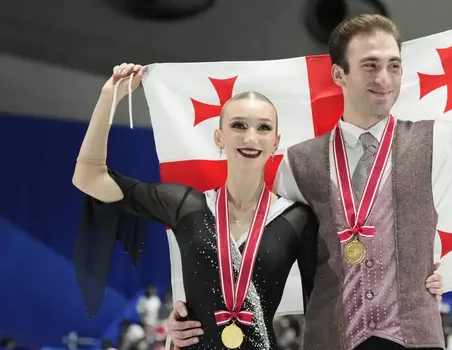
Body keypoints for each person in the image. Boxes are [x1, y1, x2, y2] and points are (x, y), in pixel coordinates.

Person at [169, 0, 452, 350]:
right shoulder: (297, 162)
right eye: (370, 65)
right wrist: (194, 315)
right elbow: (258, 255)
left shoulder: (439, 142)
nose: (385, 78)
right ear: (339, 74)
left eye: (394, 66)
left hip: (415, 339)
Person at [72, 66, 320, 349]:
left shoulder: (297, 219)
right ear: (219, 137)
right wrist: (109, 96)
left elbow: (322, 311)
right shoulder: (185, 205)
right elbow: (89, 178)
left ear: (275, 142)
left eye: (263, 127)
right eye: (238, 125)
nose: (251, 138)